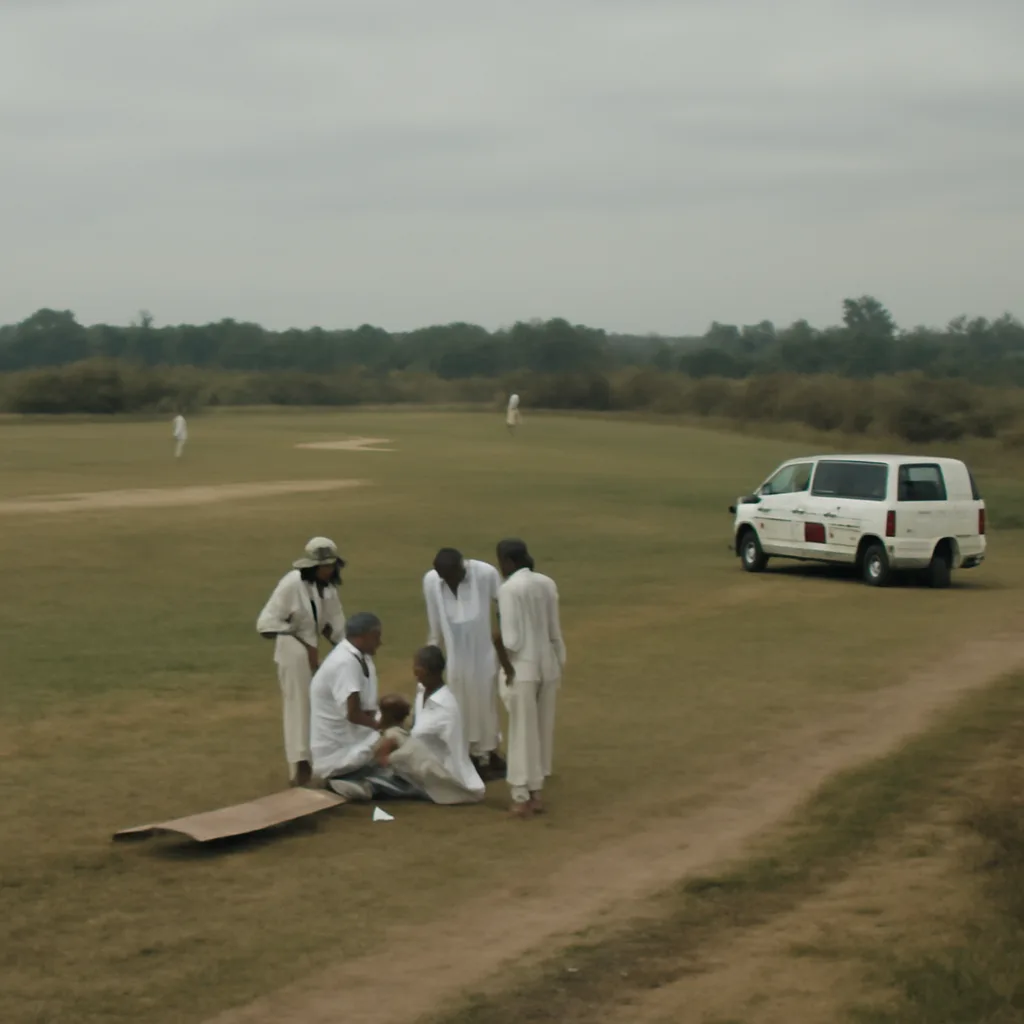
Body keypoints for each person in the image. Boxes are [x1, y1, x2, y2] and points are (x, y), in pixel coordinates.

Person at [256, 537, 346, 787]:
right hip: (290, 650)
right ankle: (300, 767)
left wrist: (351, 652)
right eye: (323, 566)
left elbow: (335, 627)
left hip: (310, 652)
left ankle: (321, 762)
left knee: (322, 704)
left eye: (331, 565)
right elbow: (265, 624)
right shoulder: (291, 584)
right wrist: (305, 645)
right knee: (299, 706)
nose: (328, 570)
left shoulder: (328, 588)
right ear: (311, 566)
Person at [312, 614, 423, 801]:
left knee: (404, 738)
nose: (380, 642)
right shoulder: (344, 662)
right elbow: (353, 714)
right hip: (338, 752)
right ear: (362, 637)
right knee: (400, 748)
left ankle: (364, 780)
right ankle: (351, 783)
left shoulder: (362, 658)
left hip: (355, 738)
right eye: (376, 636)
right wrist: (383, 729)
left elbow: (368, 708)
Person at [493, 539, 566, 818]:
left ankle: (522, 796)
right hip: (548, 664)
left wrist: (504, 665)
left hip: (522, 667)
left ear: (508, 562)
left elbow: (510, 641)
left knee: (523, 731)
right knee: (539, 729)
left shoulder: (509, 589)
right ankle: (535, 793)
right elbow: (554, 632)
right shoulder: (546, 583)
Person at [423, 549, 505, 777]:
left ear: (462, 567)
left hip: (484, 653)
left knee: (484, 702)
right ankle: (468, 754)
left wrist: (506, 639)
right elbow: (434, 622)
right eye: (444, 576)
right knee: (458, 703)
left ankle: (488, 753)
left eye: (453, 575)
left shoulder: (485, 573)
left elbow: (503, 604)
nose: (448, 580)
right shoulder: (431, 580)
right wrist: (433, 650)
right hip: (455, 657)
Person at [374, 646, 486, 805]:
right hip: (427, 761)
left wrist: (388, 758)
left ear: (423, 671)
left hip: (447, 777)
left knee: (401, 747)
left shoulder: (444, 707)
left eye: (416, 666)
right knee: (393, 737)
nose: (413, 671)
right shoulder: (423, 691)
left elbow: (415, 743)